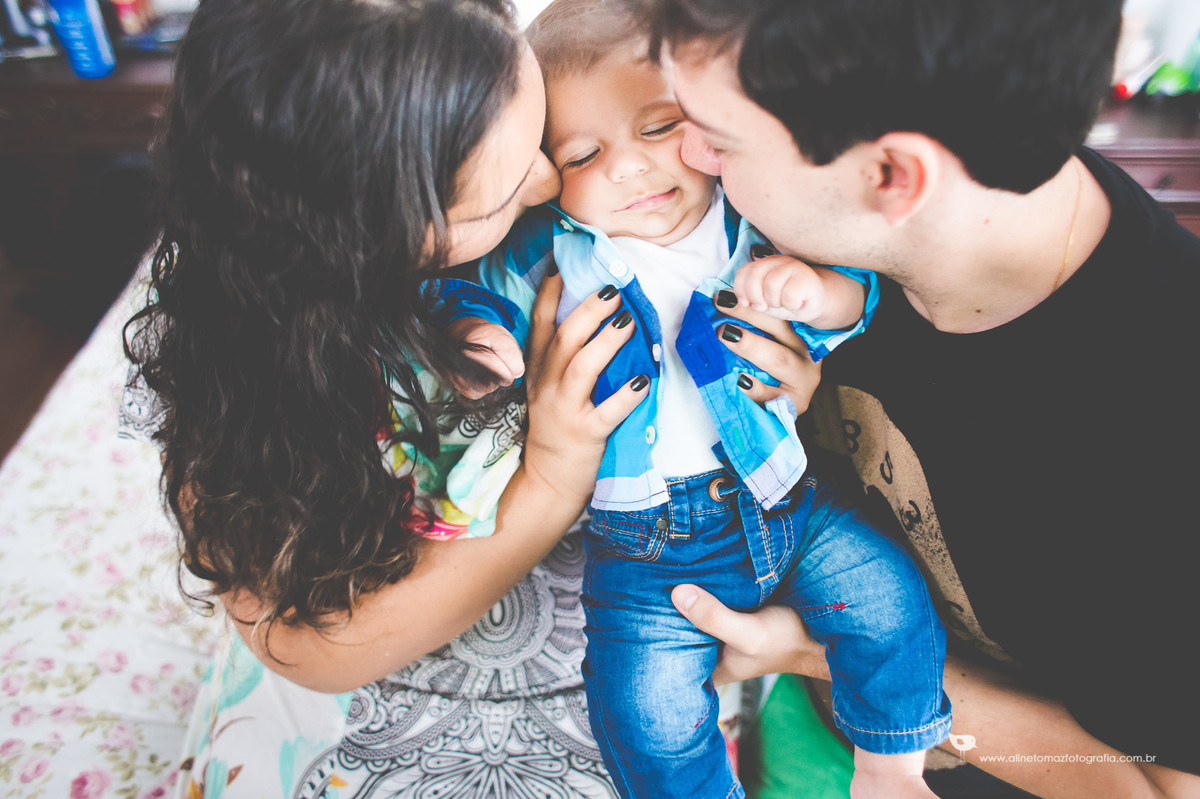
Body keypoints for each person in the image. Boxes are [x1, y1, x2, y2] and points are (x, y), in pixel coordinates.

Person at [628, 0, 1200, 796]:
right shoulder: (849, 230)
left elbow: (1163, 787)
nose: (689, 156)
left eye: (719, 140)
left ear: (892, 177)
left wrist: (821, 652)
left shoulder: (1163, 428)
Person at [121, 0, 653, 794]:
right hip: (377, 664)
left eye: (538, 133)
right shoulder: (245, 365)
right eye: (498, 199)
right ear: (362, 244)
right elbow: (306, 643)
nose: (550, 181)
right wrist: (549, 480)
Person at [430, 2, 951, 796]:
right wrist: (473, 332)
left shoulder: (752, 213)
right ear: (545, 180)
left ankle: (891, 766)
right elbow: (470, 287)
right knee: (647, 708)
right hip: (644, 540)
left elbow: (858, 287)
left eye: (658, 127)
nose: (629, 168)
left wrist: (821, 293)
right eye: (582, 155)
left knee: (887, 599)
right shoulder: (556, 247)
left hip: (785, 499)